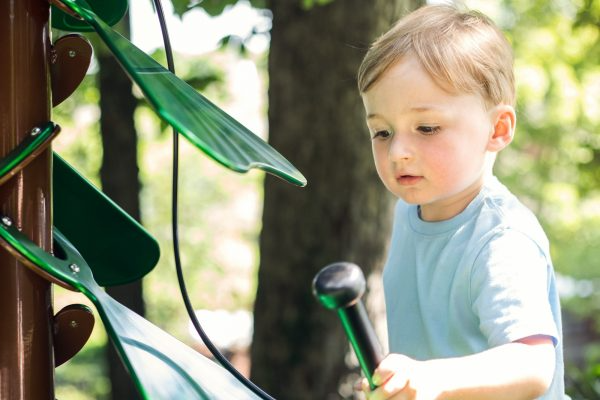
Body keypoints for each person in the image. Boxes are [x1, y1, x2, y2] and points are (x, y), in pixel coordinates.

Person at [357, 4, 565, 399]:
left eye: (427, 127)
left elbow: (533, 365)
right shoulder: (407, 214)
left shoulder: (501, 239)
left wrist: (433, 378)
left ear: (497, 129)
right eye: (381, 132)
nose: (398, 150)